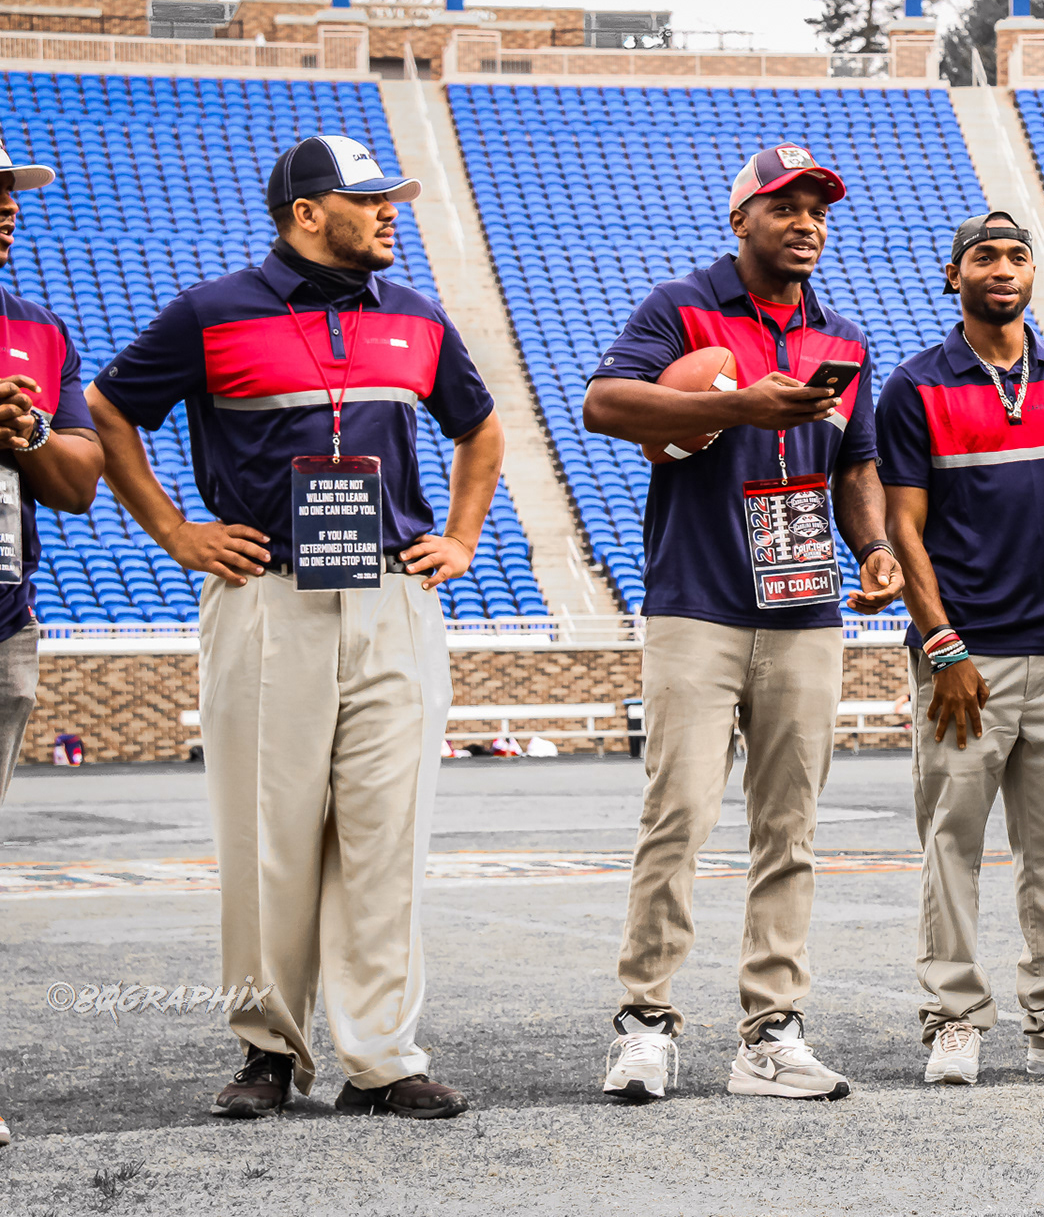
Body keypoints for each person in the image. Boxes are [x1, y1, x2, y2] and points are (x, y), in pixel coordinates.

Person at [87, 135, 503, 1120]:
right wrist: (174, 530)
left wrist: (461, 536)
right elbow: (107, 407)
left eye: (392, 196)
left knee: (386, 835)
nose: (390, 211)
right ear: (307, 213)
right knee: (265, 837)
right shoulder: (211, 311)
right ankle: (267, 1049)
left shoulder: (417, 315)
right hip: (267, 594)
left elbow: (480, 428)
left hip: (392, 597)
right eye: (369, 198)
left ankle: (382, 1057)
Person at [583, 144, 903, 1104]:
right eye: (786, 207)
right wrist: (732, 403)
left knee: (789, 827)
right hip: (697, 599)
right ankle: (645, 1023)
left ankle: (772, 1033)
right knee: (678, 815)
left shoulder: (842, 336)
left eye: (819, 210)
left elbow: (856, 463)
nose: (806, 224)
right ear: (742, 220)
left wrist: (873, 546)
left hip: (805, 605)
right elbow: (603, 403)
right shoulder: (681, 307)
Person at [877, 211, 1044, 1087]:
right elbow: (904, 529)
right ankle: (954, 1020)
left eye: (1017, 256)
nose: (1002, 267)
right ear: (952, 276)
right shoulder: (914, 387)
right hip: (966, 662)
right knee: (951, 842)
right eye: (984, 256)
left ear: (1034, 273)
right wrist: (943, 647)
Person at [0, 135, 107, 1148]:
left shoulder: (37, 330)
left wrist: (27, 434)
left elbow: (79, 481)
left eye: (10, 191)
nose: (7, 207)